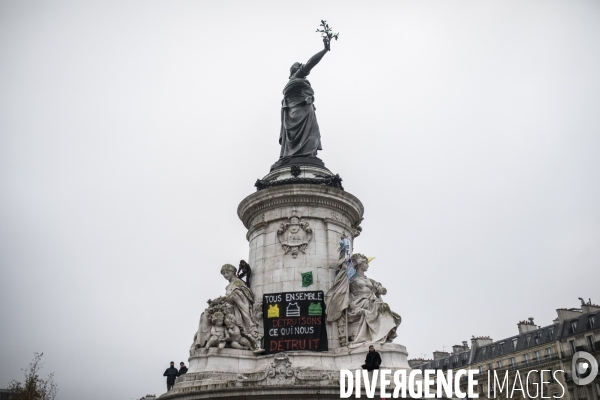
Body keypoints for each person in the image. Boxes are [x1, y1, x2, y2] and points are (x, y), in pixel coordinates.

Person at [272, 38, 331, 170]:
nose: (303, 68)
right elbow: (311, 63)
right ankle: (302, 155)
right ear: (296, 70)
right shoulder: (297, 78)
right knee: (311, 136)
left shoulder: (294, 83)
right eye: (300, 66)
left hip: (303, 111)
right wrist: (324, 50)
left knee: (312, 135)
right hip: (300, 111)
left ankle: (303, 154)